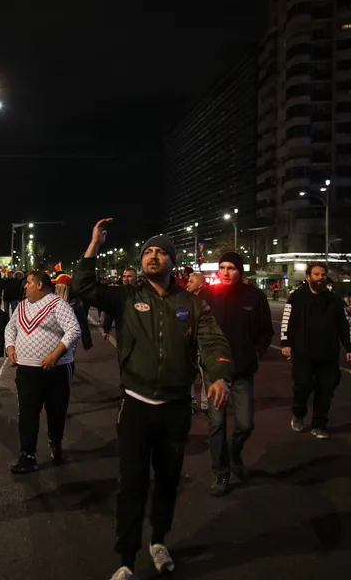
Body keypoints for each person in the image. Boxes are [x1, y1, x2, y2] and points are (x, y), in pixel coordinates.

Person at [73, 220, 233, 580]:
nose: (153, 256)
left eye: (161, 252)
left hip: (175, 409)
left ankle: (159, 540)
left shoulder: (192, 304)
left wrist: (219, 375)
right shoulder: (127, 297)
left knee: (167, 480)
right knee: (131, 483)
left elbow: (213, 342)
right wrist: (93, 245)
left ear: (172, 261)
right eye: (148, 251)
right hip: (135, 405)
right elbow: (83, 287)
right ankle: (126, 558)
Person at [200, 252, 273, 496]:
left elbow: (265, 332)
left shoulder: (255, 296)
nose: (226, 272)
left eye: (231, 267)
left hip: (242, 371)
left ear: (240, 270)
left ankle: (234, 452)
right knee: (216, 424)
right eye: (223, 267)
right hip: (214, 372)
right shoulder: (207, 296)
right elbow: (195, 329)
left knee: (245, 424)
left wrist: (255, 355)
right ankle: (221, 474)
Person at [5, 271, 82, 472]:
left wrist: (55, 356)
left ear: (39, 285)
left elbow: (74, 330)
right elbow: (10, 328)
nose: (25, 286)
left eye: (28, 283)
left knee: (56, 411)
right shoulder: (22, 306)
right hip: (27, 370)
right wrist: (11, 347)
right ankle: (27, 455)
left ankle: (55, 441)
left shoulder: (57, 304)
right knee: (27, 412)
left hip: (55, 371)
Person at [282, 262, 351, 439]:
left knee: (326, 389)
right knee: (302, 387)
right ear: (308, 277)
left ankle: (319, 425)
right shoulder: (296, 298)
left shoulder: (334, 300)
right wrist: (286, 343)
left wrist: (348, 346)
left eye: (323, 275)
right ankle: (298, 414)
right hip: (303, 353)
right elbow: (287, 320)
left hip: (328, 354)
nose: (320, 278)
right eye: (316, 274)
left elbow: (344, 325)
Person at [185, 272, 209, 412]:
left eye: (191, 281)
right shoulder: (185, 299)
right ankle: (191, 403)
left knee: (206, 376)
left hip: (203, 346)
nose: (188, 284)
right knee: (188, 376)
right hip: (189, 346)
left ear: (200, 284)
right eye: (188, 281)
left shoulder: (207, 300)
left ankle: (206, 405)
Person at [103, 268, 137, 341]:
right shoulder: (118, 293)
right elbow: (110, 311)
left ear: (135, 278)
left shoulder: (141, 292)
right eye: (124, 276)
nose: (126, 279)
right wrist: (106, 329)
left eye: (129, 276)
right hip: (122, 329)